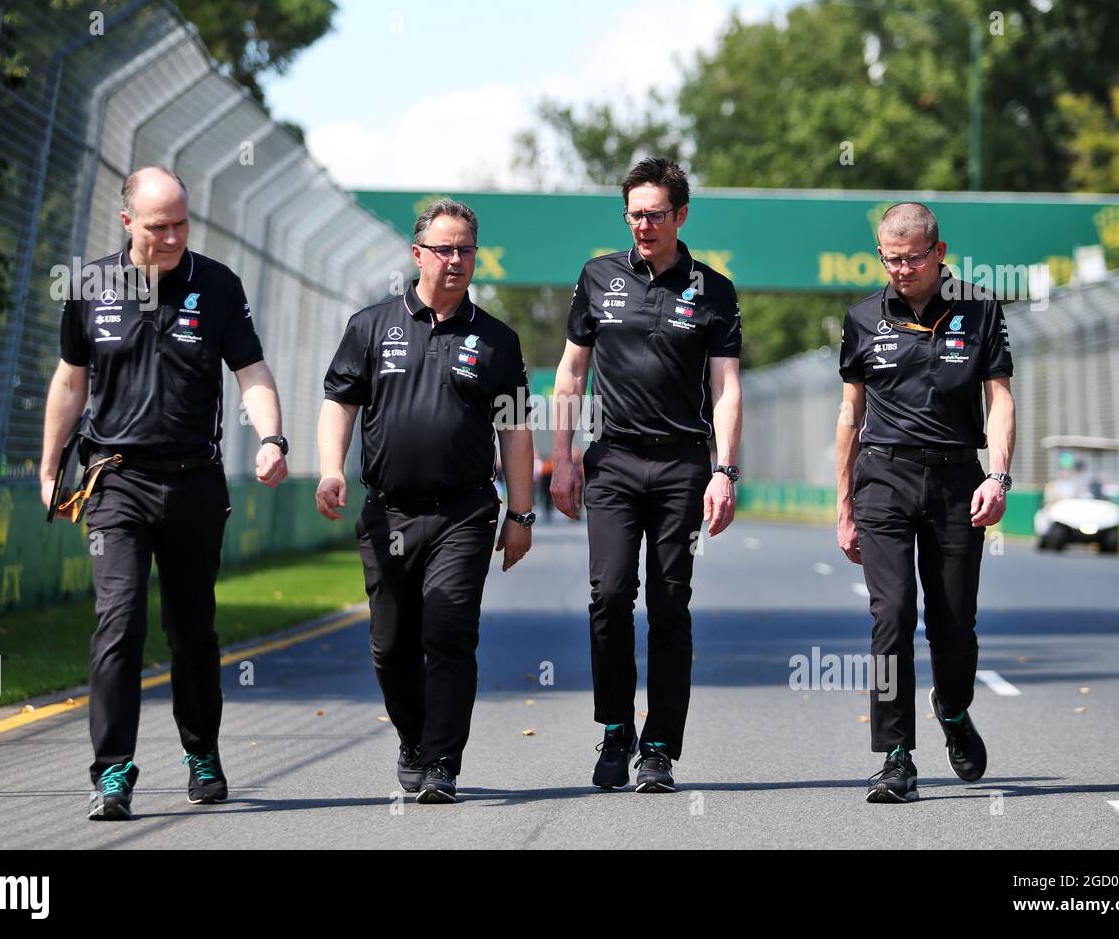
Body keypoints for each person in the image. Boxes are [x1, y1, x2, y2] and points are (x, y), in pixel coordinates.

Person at [40, 166, 288, 820]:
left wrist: (272, 438)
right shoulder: (90, 286)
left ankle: (201, 752)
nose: (174, 236)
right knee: (118, 623)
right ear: (128, 224)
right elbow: (70, 381)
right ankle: (112, 772)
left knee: (193, 632)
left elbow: (252, 371)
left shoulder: (217, 286)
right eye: (159, 226)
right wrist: (47, 466)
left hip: (193, 484)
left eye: (182, 223)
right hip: (115, 479)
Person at [317, 198, 534, 804]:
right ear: (418, 255)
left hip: (464, 511)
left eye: (466, 248)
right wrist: (331, 469)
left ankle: (441, 762)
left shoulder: (496, 340)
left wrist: (519, 515)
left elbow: (516, 431)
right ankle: (413, 737)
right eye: (445, 248)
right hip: (387, 511)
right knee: (391, 646)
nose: (457, 259)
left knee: (449, 632)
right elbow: (340, 402)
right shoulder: (371, 326)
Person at [550, 158, 742, 793]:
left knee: (669, 601)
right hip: (612, 462)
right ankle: (614, 729)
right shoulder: (597, 277)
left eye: (655, 214)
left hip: (684, 463)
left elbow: (726, 387)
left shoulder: (713, 289)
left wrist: (724, 471)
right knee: (608, 596)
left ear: (681, 215)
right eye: (634, 213)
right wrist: (564, 457)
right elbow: (572, 372)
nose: (643, 224)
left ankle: (658, 744)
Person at [835, 202, 1015, 804]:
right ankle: (895, 756)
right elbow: (849, 414)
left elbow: (1001, 400)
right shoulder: (863, 317)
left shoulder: (981, 309)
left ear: (940, 253)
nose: (901, 269)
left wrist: (1000, 476)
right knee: (890, 617)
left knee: (953, 625)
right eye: (890, 258)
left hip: (957, 481)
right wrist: (844, 505)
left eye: (912, 258)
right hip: (882, 478)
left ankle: (954, 710)